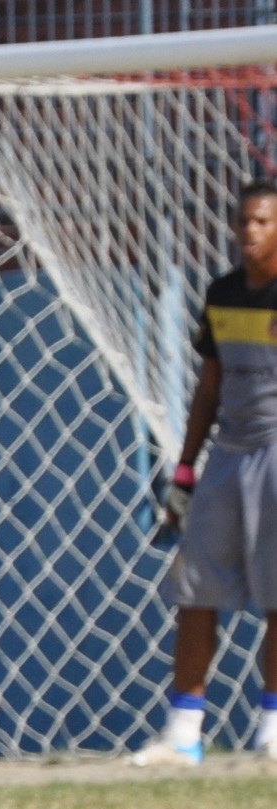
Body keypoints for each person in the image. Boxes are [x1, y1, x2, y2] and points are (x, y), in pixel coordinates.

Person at [135, 180, 277, 766]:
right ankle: (183, 732)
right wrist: (186, 471)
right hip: (226, 457)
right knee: (194, 594)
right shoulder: (222, 294)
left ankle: (272, 728)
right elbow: (208, 390)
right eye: (243, 221)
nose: (250, 232)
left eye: (262, 222)